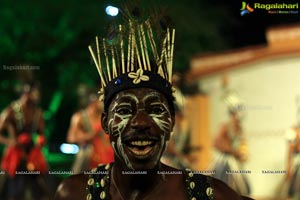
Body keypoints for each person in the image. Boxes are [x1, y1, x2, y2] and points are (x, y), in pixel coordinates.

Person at [54, 7, 254, 200]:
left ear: (172, 121)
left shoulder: (208, 195)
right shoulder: (75, 193)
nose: (140, 122)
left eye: (156, 110)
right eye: (124, 110)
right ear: (106, 122)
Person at [0, 82, 48, 200]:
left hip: (32, 155)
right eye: (35, 93)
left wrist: (40, 141)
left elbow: (42, 134)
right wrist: (10, 142)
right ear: (26, 94)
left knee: (43, 190)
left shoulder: (37, 113)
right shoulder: (11, 110)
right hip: (15, 156)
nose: (37, 95)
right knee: (13, 191)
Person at [67, 92, 114, 174]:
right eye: (101, 101)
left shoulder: (103, 116)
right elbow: (71, 138)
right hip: (89, 157)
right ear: (94, 103)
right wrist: (90, 136)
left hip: (106, 157)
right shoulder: (80, 117)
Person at [212, 108, 251, 196]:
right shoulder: (225, 126)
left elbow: (243, 145)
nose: (237, 117)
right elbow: (215, 143)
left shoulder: (240, 129)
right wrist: (232, 151)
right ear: (232, 114)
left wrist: (243, 154)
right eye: (235, 114)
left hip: (235, 162)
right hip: (224, 160)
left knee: (243, 187)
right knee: (221, 183)